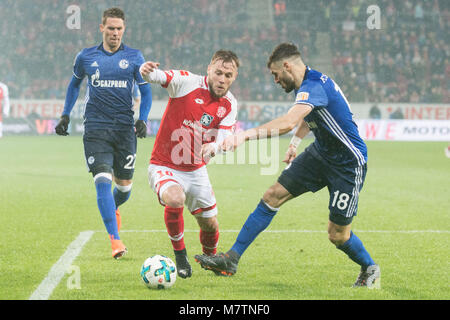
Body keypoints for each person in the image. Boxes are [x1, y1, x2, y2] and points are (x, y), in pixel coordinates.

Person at [195, 43, 380, 288]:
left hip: (348, 163)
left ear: (286, 66)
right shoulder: (307, 85)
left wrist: (245, 135)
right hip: (321, 154)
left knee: (338, 235)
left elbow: (289, 121)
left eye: (275, 74)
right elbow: (309, 115)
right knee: (272, 195)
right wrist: (295, 143)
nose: (275, 80)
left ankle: (370, 269)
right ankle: (232, 258)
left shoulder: (314, 86)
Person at [55, 7, 153, 259]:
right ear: (102, 28)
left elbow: (147, 91)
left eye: (119, 28)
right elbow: (74, 85)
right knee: (101, 180)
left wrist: (142, 119)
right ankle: (115, 240)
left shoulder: (134, 57)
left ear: (124, 30)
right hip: (96, 128)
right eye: (111, 28)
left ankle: (112, 207)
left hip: (124, 130)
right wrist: (65, 114)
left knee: (124, 188)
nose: (115, 33)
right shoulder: (86, 56)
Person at [139, 50, 239, 278]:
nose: (222, 79)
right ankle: (181, 257)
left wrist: (214, 148)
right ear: (209, 69)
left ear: (234, 77)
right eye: (219, 73)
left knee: (210, 225)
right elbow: (159, 76)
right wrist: (145, 71)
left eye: (228, 75)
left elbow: (224, 137)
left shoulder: (230, 103)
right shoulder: (187, 82)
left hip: (196, 170)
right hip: (164, 164)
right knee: (175, 198)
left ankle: (212, 260)